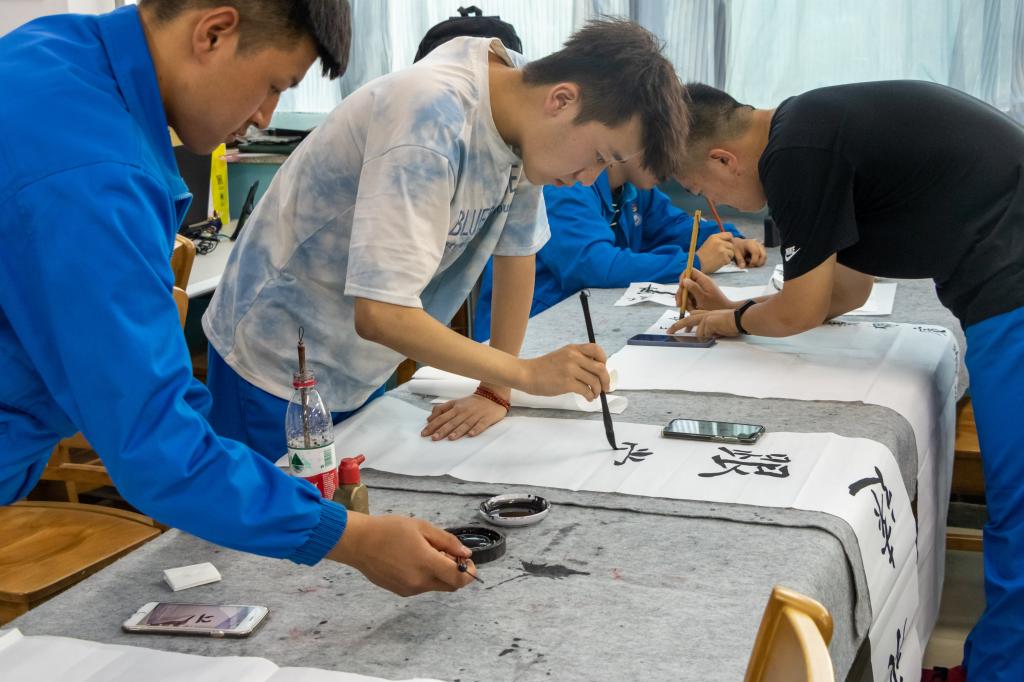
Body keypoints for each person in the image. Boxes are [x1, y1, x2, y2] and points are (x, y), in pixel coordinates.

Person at [0, 0, 478, 596]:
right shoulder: (91, 174)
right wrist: (350, 538)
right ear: (214, 33)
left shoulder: (52, 55)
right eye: (274, 85)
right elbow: (157, 446)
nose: (264, 116)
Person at [670, 80, 1024, 680]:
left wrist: (732, 322)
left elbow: (803, 308)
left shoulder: (794, 155)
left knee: (1019, 516)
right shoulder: (809, 132)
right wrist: (740, 313)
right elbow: (846, 291)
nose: (713, 205)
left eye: (702, 188)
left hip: (1012, 287)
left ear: (723, 159)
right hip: (1000, 275)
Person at [203, 20, 689, 450]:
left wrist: (496, 389)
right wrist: (524, 373)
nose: (589, 179)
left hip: (357, 363)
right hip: (276, 365)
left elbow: (517, 252)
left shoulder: (525, 111)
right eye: (600, 156)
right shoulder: (430, 116)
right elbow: (380, 313)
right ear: (562, 100)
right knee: (272, 517)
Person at [472, 156, 766, 341]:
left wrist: (729, 240)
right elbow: (593, 264)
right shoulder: (565, 182)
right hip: (529, 333)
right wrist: (693, 263)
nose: (673, 161)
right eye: (664, 145)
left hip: (588, 322)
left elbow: (673, 224)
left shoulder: (634, 186)